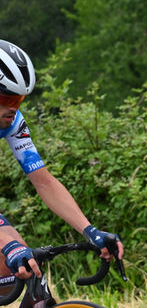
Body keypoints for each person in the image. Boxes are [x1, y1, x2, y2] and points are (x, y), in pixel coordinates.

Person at [0, 39, 122, 280]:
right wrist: (7, 243)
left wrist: (90, 231)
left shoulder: (12, 122)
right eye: (9, 100)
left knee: (20, 270)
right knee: (10, 251)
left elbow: (43, 181)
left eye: (20, 101)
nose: (14, 109)